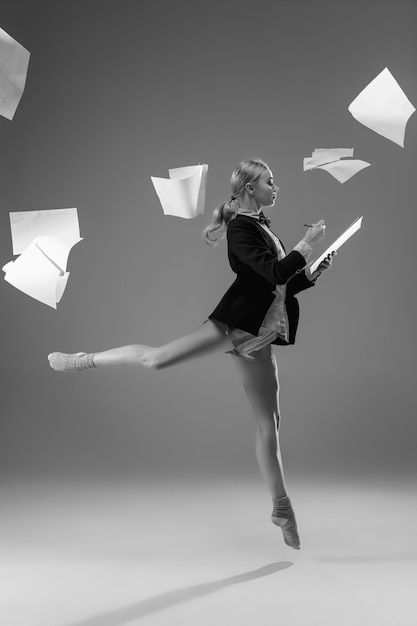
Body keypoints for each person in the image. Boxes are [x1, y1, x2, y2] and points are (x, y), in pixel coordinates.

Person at [48, 159, 334, 550]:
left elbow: (280, 286)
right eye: (271, 181)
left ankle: (281, 509)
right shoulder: (240, 228)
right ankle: (85, 359)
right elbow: (272, 273)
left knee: (270, 426)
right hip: (233, 327)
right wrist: (305, 246)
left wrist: (311, 273)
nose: (276, 187)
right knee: (157, 360)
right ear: (251, 187)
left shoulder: (262, 225)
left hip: (260, 336)